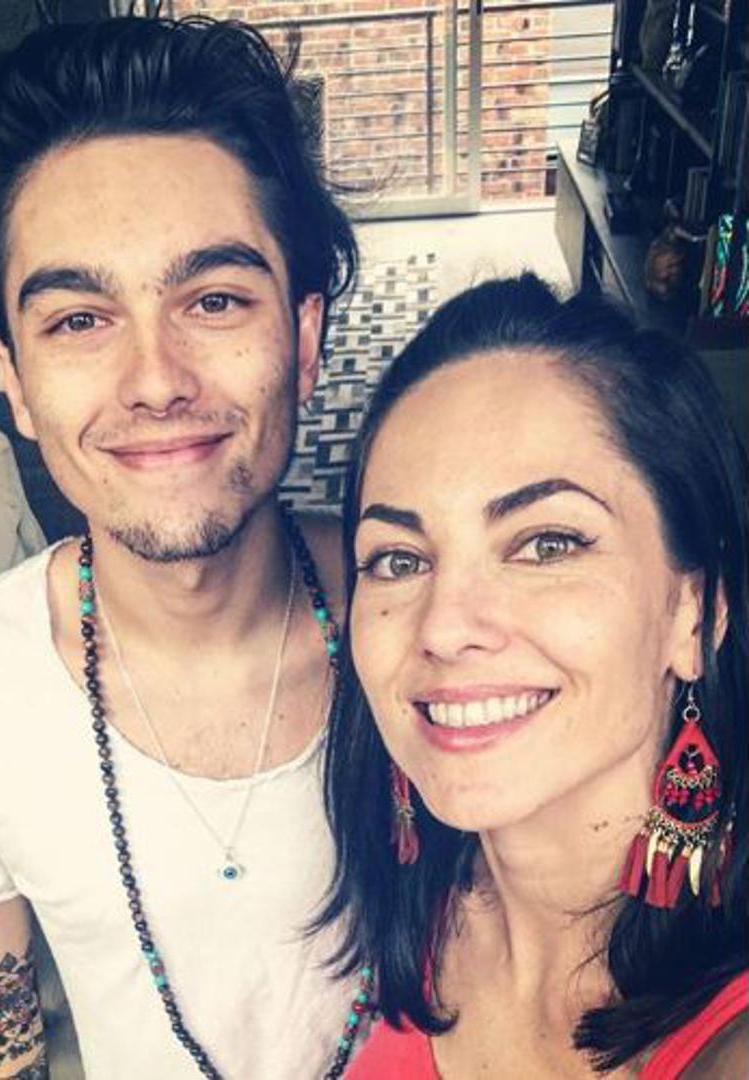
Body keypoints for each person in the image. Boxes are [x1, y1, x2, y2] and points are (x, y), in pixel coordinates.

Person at [0, 15, 371, 1079]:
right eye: (78, 321)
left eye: (214, 300)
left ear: (302, 339)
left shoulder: (427, 627)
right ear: (14, 382)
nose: (154, 380)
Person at [321, 274, 748, 1077]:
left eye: (546, 544)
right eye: (399, 560)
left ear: (694, 613)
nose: (443, 628)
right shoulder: (425, 901)